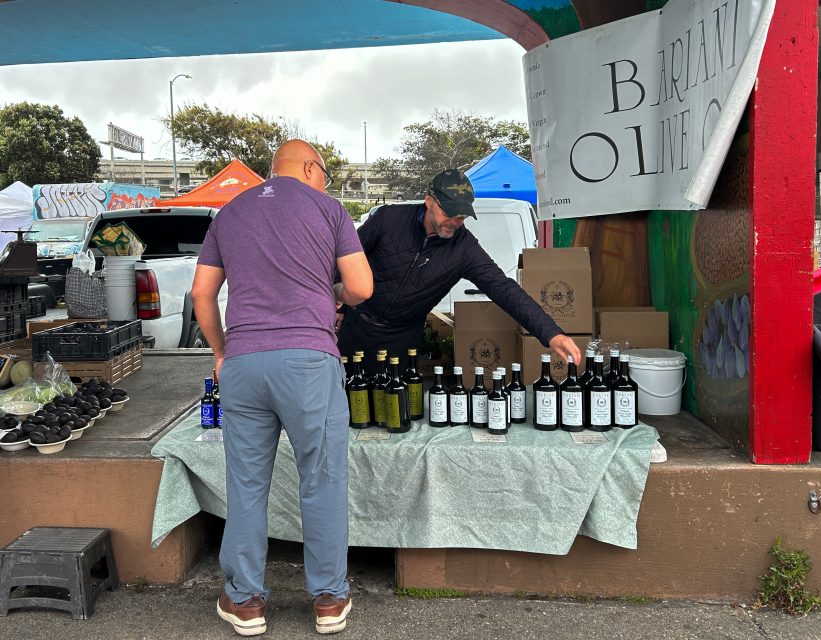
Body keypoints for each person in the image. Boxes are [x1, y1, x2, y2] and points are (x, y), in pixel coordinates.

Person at [192, 139, 372, 637]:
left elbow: (201, 293)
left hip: (245, 363)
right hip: (308, 362)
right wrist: (330, 290)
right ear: (311, 168)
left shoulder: (228, 213)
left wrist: (222, 351)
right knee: (323, 478)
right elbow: (361, 288)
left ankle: (246, 601)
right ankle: (329, 600)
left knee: (247, 485)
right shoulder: (330, 210)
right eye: (325, 174)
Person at [336, 168, 581, 375]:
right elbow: (346, 258)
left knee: (392, 412)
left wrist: (551, 333)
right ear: (429, 201)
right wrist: (338, 303)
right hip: (357, 328)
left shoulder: (464, 249)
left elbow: (504, 289)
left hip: (403, 340)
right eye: (449, 213)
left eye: (462, 216)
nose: (455, 221)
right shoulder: (388, 219)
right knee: (348, 403)